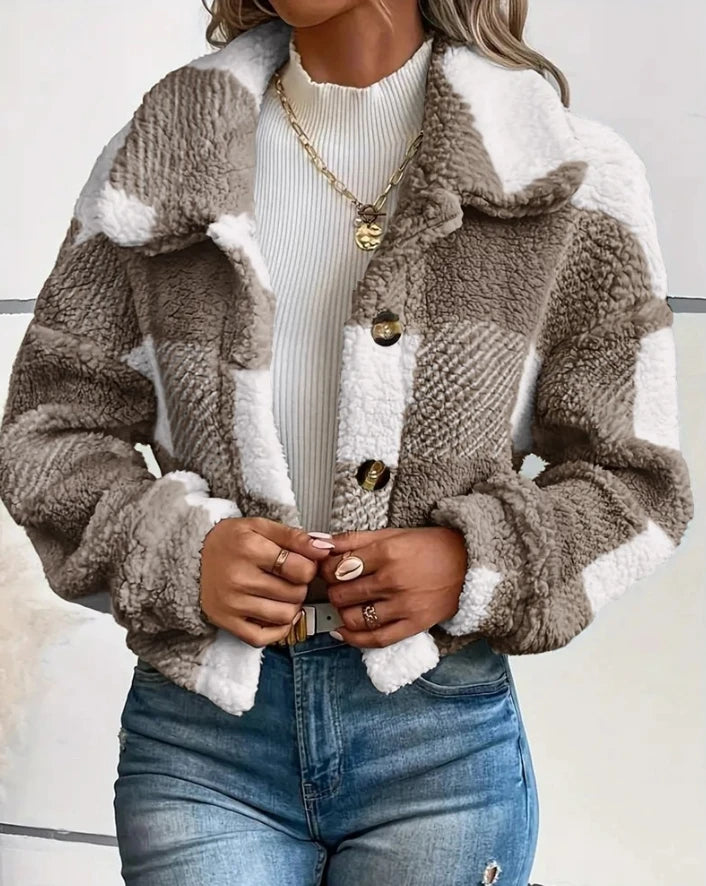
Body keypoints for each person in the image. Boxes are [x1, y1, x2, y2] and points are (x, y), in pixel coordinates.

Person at [0, 1, 694, 883]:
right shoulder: (164, 160)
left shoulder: (567, 175)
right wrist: (179, 551)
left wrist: (474, 559)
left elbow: (637, 481)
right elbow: (48, 433)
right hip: (201, 743)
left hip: (438, 747)